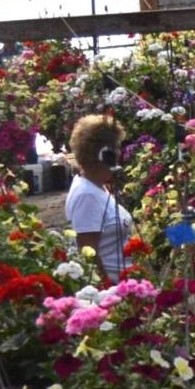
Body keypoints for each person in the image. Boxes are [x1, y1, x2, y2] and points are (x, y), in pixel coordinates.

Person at [65, 114, 133, 281]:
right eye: (117, 147)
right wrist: (108, 292)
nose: (120, 152)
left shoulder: (96, 187)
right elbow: (89, 255)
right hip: (112, 294)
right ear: (105, 154)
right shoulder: (87, 196)